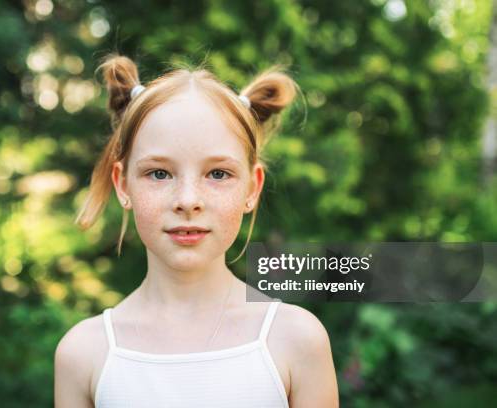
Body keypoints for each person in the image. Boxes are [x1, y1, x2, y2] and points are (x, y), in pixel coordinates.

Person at [54, 54, 338, 407]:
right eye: (159, 173)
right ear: (123, 185)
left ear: (252, 189)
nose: (188, 200)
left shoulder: (296, 341)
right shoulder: (84, 354)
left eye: (218, 174)